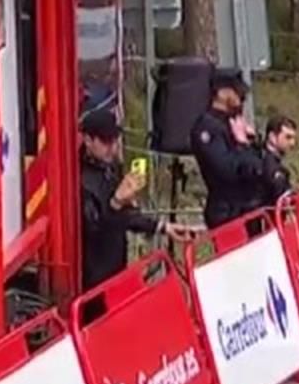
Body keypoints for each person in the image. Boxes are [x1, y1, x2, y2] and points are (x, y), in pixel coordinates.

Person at [79, 108, 194, 287]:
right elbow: (92, 230)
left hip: (115, 265)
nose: (113, 148)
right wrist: (116, 203)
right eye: (106, 142)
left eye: (115, 140)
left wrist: (162, 227)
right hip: (95, 273)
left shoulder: (109, 168)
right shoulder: (80, 180)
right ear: (88, 140)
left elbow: (125, 216)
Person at [192, 69, 273, 229]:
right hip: (228, 211)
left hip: (250, 207)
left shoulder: (233, 123)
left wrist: (252, 142)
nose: (241, 97)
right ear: (222, 93)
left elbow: (259, 166)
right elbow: (225, 170)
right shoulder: (208, 127)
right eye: (236, 92)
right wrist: (242, 145)